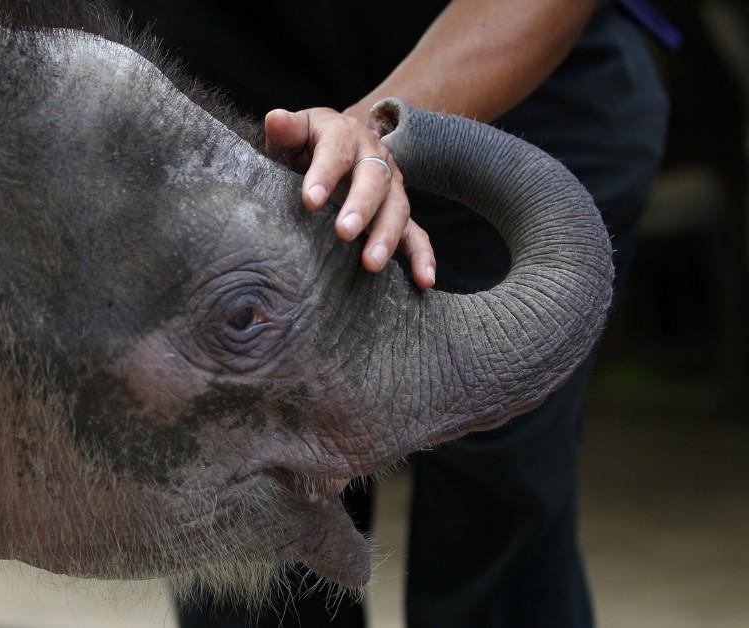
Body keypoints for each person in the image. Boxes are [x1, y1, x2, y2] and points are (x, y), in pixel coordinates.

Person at [109, 1, 669, 626]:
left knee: (500, 500)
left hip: (509, 122)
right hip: (223, 121)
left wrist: (368, 134)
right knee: (255, 516)